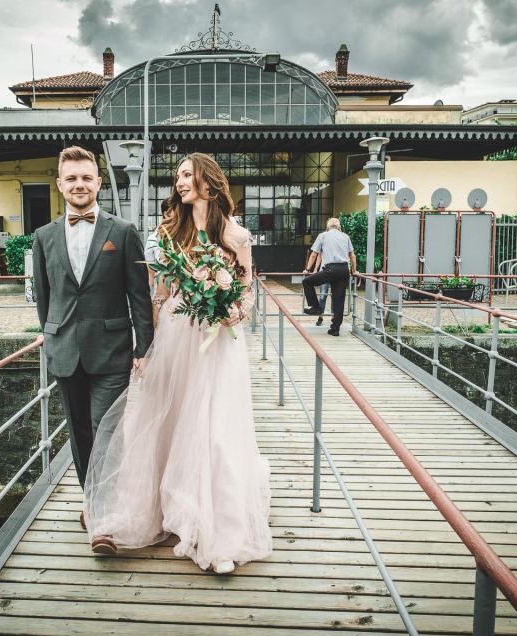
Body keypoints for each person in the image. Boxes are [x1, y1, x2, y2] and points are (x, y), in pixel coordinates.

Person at [84, 152, 272, 575]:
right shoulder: (170, 231)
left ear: (209, 181)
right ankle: (161, 511)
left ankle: (216, 531)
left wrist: (232, 313)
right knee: (164, 421)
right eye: (178, 176)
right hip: (175, 335)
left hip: (218, 342)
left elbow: (246, 293)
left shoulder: (237, 236)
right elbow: (159, 292)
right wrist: (146, 349)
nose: (180, 182)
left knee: (214, 429)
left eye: (187, 175)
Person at [31, 146, 153, 505]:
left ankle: (104, 509)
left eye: (86, 177)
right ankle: (91, 497)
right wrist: (52, 337)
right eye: (71, 178)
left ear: (99, 182)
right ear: (59, 184)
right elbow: (44, 296)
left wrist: (143, 347)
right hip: (65, 350)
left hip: (112, 351)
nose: (79, 184)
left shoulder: (124, 231)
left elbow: (139, 295)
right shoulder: (44, 236)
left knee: (107, 430)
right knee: (80, 432)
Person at [302, 217, 357, 336]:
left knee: (307, 282)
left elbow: (314, 255)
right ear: (339, 227)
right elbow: (352, 256)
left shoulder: (323, 236)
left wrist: (307, 269)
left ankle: (316, 307)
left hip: (331, 269)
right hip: (344, 270)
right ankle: (335, 329)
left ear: (328, 227)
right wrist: (355, 271)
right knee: (339, 300)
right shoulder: (345, 237)